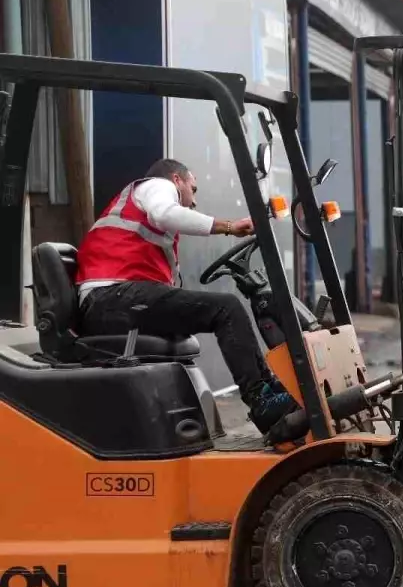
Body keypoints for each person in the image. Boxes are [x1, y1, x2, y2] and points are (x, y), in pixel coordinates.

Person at [75, 158, 299, 431]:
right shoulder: (154, 186)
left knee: (225, 308)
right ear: (176, 180)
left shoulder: (153, 228)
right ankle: (260, 400)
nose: (193, 201)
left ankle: (269, 389)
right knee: (226, 308)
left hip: (121, 298)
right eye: (193, 189)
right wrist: (228, 226)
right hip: (112, 299)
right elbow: (164, 213)